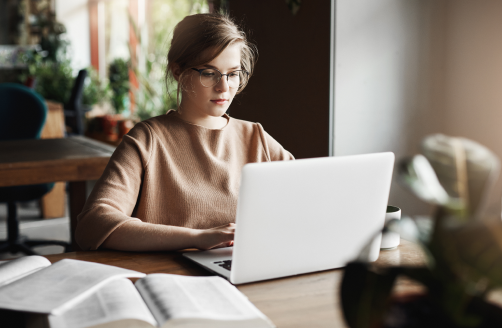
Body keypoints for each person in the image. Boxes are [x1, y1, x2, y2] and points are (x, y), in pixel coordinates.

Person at [75, 13, 294, 252]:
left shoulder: (256, 138)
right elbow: (92, 225)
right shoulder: (147, 139)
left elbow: (307, 201)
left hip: (245, 272)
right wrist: (196, 238)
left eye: (232, 74)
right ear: (178, 71)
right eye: (209, 73)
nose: (224, 87)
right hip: (170, 277)